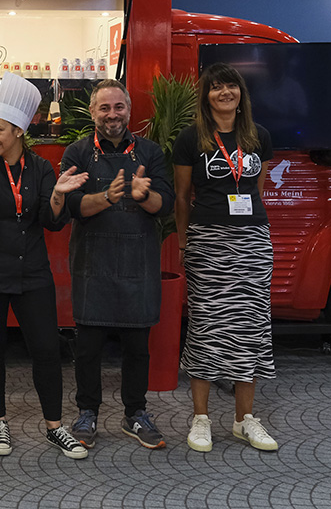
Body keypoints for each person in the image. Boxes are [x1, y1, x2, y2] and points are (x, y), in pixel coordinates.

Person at [0, 73, 89, 460]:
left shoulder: (41, 169)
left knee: (47, 348)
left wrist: (59, 198)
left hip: (31, 272)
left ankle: (54, 426)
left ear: (18, 130)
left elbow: (50, 223)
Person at [62, 80, 174, 449]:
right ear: (92, 112)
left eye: (119, 107)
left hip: (137, 264)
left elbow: (165, 205)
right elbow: (74, 207)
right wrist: (106, 197)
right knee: (88, 347)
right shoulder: (76, 153)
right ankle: (87, 412)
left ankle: (135, 413)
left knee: (137, 347)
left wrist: (145, 196)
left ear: (129, 110)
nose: (112, 115)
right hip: (93, 263)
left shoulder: (151, 152)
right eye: (105, 108)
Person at [173, 62, 278, 452]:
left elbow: (256, 187)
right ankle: (201, 419)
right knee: (206, 324)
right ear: (206, 96)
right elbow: (182, 197)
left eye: (230, 86)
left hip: (252, 240)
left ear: (240, 94)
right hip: (208, 240)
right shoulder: (191, 139)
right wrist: (184, 243)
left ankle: (244, 420)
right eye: (216, 88)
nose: (224, 93)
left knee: (250, 325)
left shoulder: (258, 137)